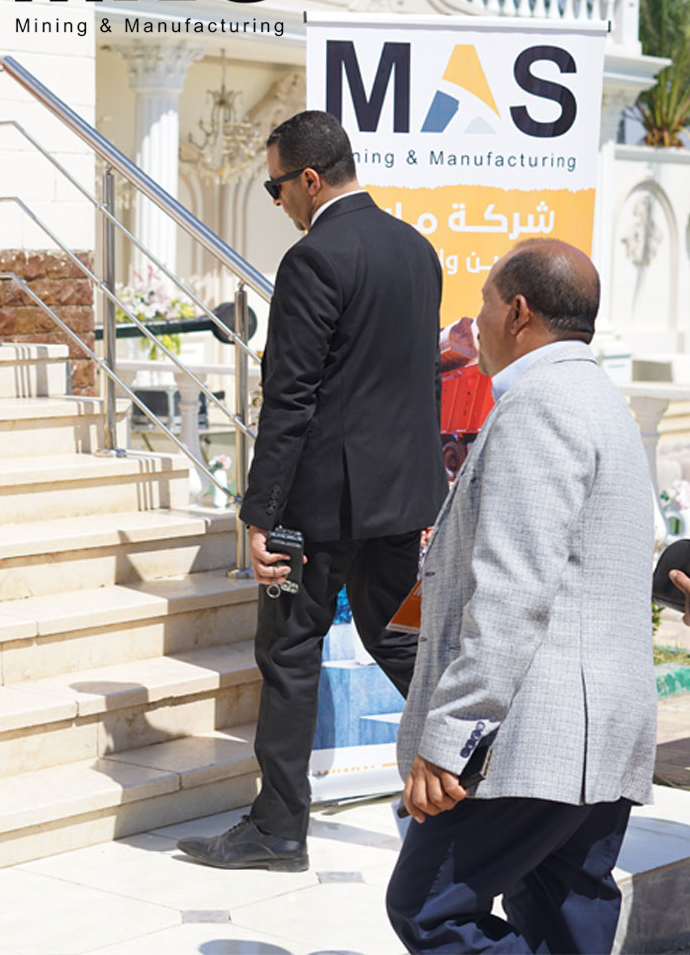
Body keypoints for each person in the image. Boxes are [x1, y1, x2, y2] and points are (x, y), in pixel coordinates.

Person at [177, 109, 447, 872]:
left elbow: (290, 397)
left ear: (309, 179)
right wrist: (428, 497)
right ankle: (483, 763)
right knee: (398, 637)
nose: (278, 204)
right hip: (400, 501)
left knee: (290, 650)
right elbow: (420, 382)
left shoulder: (313, 259)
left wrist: (259, 511)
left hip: (320, 506)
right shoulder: (417, 249)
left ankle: (278, 830)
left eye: (276, 189)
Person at [386, 240, 656, 954]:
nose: (473, 323)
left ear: (518, 312)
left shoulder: (541, 406)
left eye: (482, 304)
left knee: (428, 910)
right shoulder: (598, 398)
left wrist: (451, 738)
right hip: (598, 732)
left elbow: (513, 591)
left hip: (542, 734)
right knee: (563, 919)